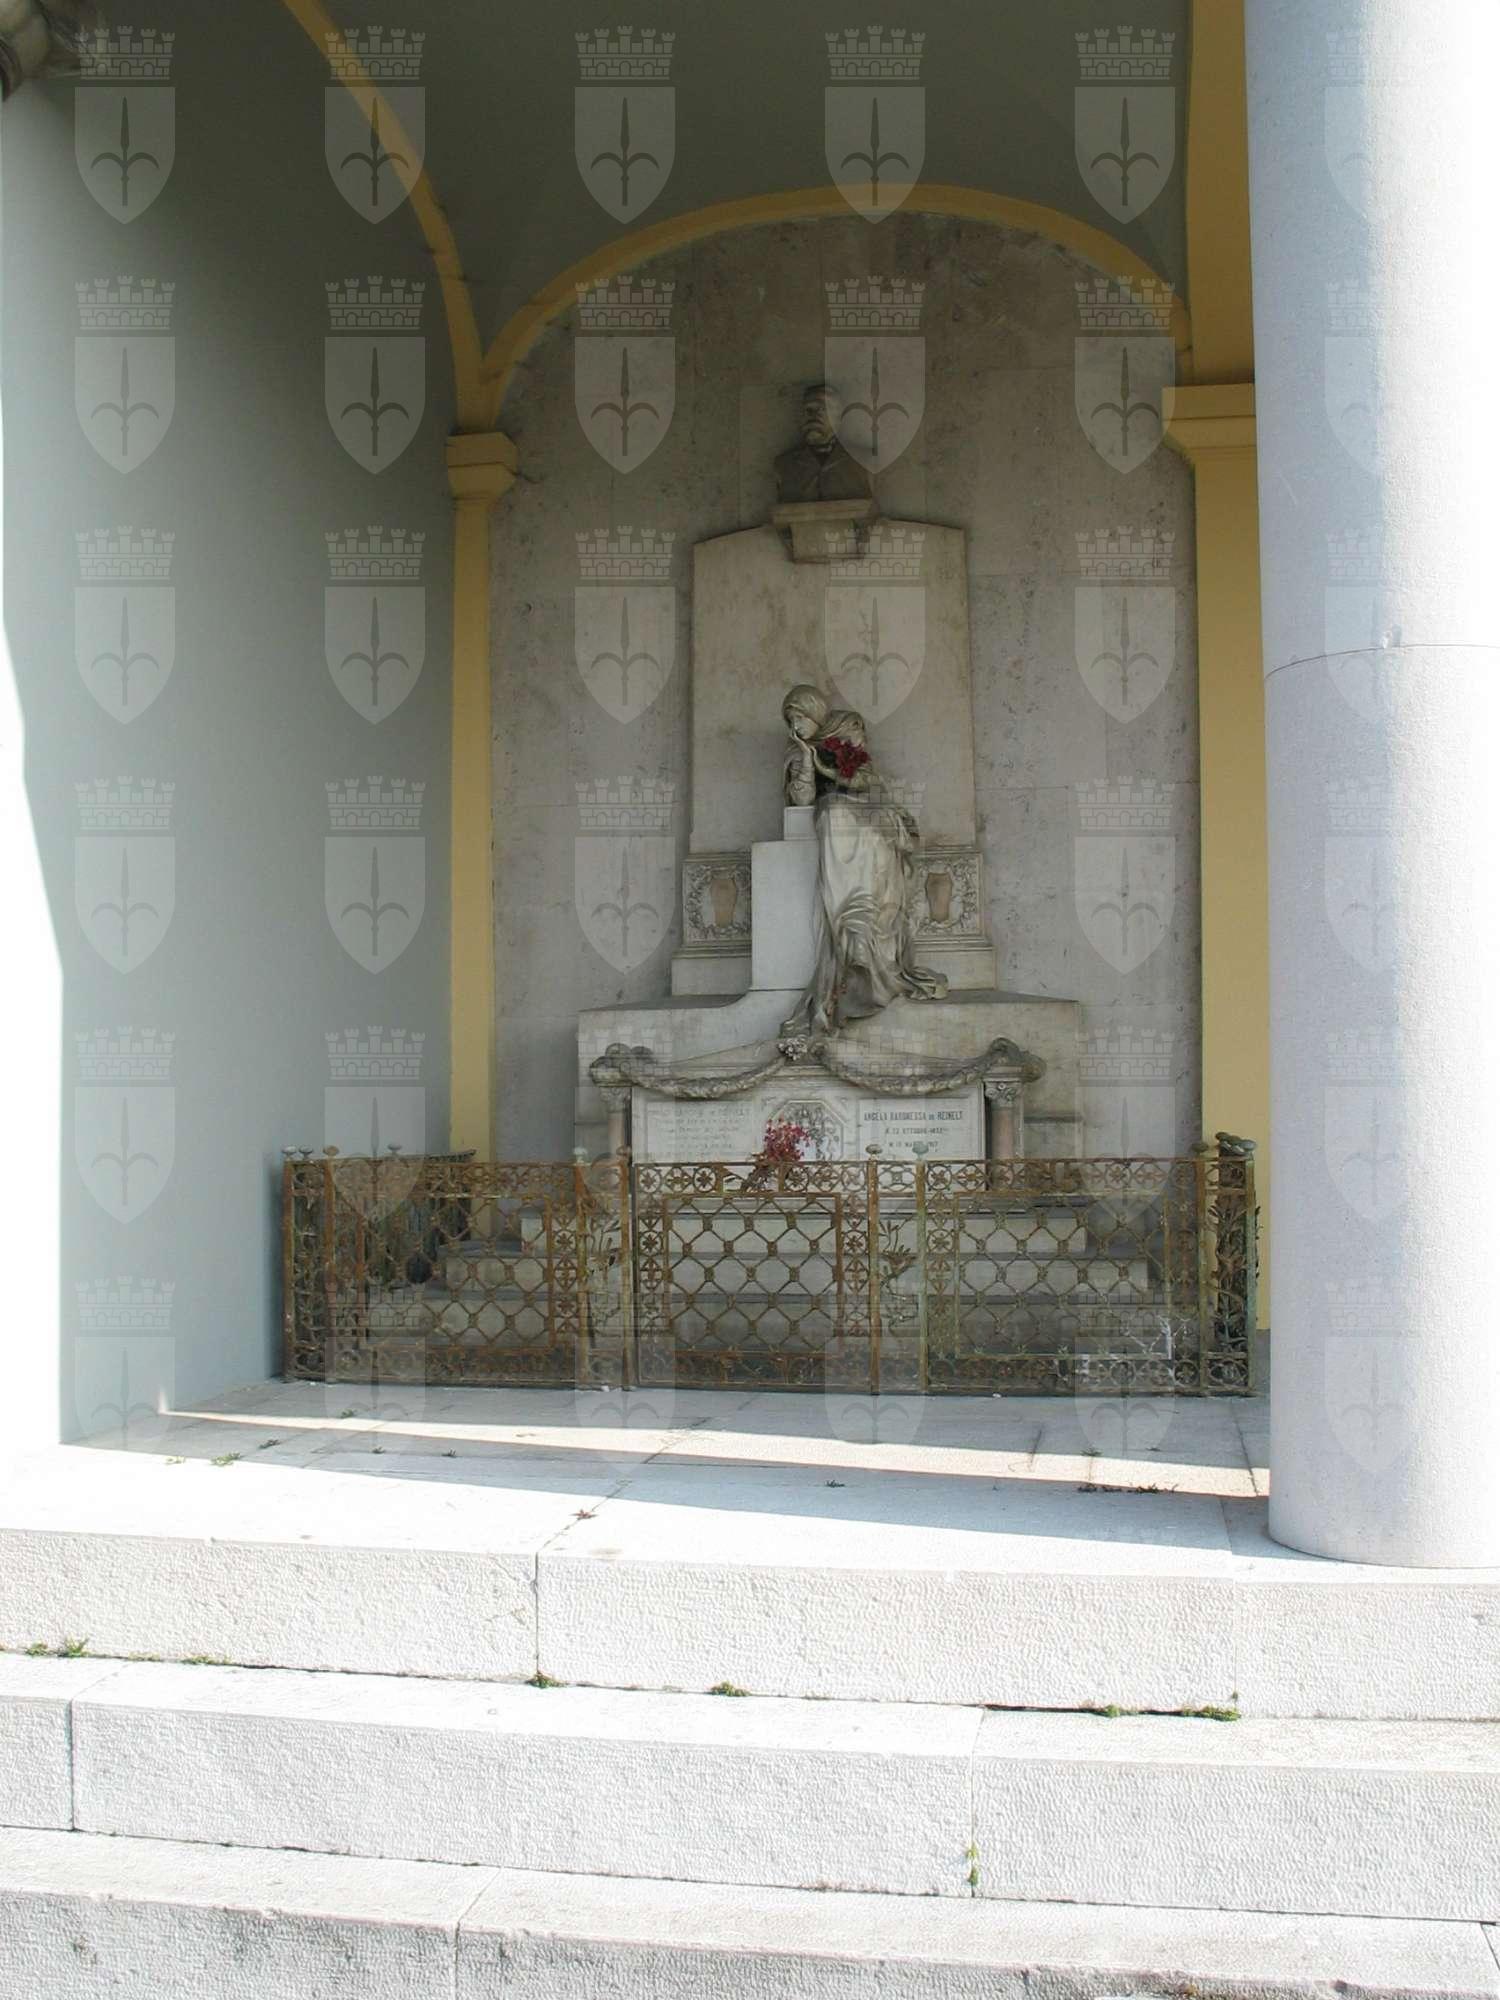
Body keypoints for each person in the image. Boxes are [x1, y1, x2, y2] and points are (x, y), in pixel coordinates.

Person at [778, 690, 947, 1035]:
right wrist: (807, 760)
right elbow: (802, 798)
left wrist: (826, 765)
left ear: (815, 714)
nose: (796, 726)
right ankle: (854, 933)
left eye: (800, 718)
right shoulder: (797, 752)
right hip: (835, 807)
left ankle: (867, 934)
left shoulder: (847, 726)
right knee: (833, 814)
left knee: (874, 839)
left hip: (868, 805)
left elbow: (866, 777)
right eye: (790, 720)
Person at [773, 383, 874, 505]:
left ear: (839, 417)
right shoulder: (784, 465)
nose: (812, 416)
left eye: (822, 409)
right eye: (807, 410)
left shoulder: (863, 460)